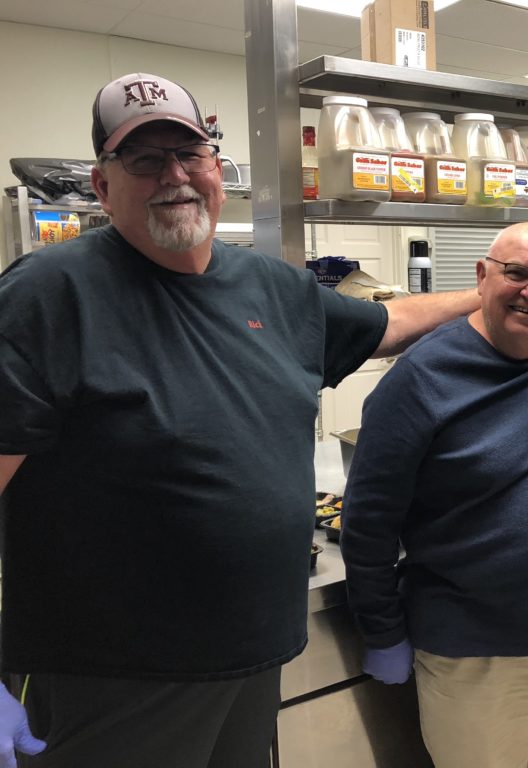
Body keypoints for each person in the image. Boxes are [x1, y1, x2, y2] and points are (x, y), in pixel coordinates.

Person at [0, 71, 478, 768]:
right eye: (145, 159)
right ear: (102, 187)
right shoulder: (49, 295)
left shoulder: (272, 287)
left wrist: (496, 287)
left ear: (217, 169)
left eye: (190, 154)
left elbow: (390, 322)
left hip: (252, 659)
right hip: (111, 677)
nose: (175, 175)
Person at [341, 222, 528, 768]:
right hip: (474, 653)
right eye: (518, 273)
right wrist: (382, 630)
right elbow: (370, 522)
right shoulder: (419, 380)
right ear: (481, 276)